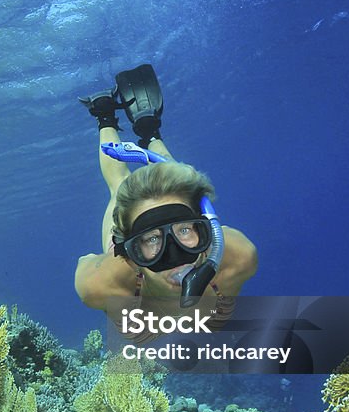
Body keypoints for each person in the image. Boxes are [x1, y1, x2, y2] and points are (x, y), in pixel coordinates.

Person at [74, 64, 258, 323]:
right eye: (150, 240)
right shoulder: (101, 286)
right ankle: (104, 115)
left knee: (174, 178)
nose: (174, 257)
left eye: (185, 230)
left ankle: (148, 132)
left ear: (207, 231)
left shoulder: (240, 258)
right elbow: (86, 261)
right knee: (119, 183)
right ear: (129, 256)